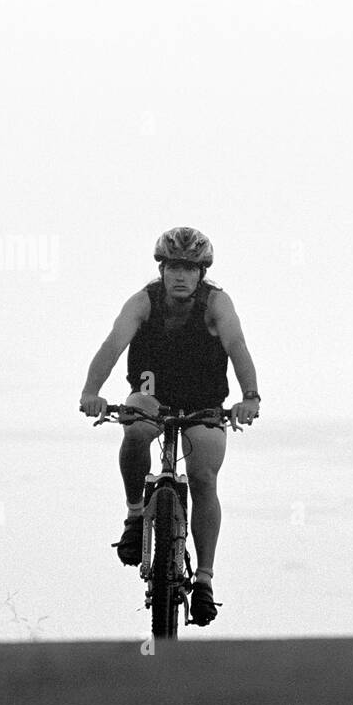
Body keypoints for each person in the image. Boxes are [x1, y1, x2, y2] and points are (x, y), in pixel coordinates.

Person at [79, 226, 260, 627]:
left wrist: (250, 398)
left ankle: (205, 581)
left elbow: (237, 346)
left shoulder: (217, 304)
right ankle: (134, 514)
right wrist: (91, 391)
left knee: (203, 478)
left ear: (201, 273)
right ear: (161, 269)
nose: (180, 276)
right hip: (151, 397)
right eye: (173, 267)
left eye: (189, 268)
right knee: (135, 429)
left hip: (204, 404)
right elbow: (113, 344)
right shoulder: (144, 302)